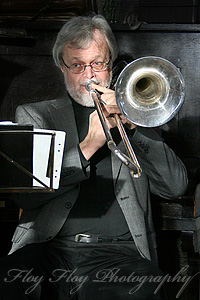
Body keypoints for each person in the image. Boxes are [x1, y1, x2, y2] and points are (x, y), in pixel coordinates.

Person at [0, 14, 188, 300]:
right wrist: (88, 146)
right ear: (61, 68)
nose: (88, 75)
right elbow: (27, 197)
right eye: (76, 65)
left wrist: (133, 125)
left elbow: (176, 187)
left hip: (119, 256)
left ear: (110, 65)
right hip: (49, 250)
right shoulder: (37, 114)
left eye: (97, 63)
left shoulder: (138, 115)